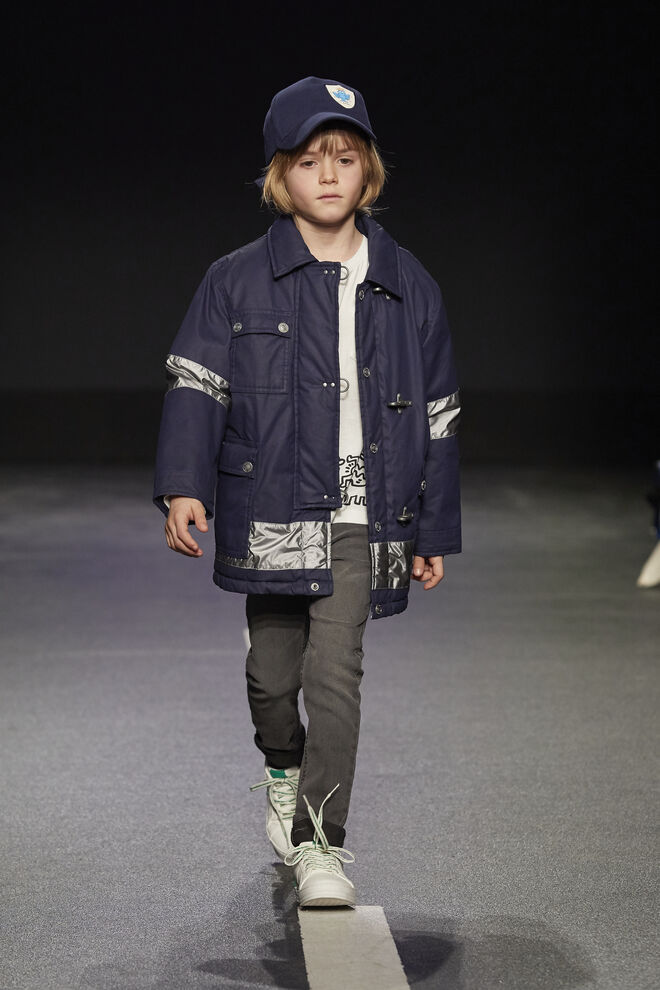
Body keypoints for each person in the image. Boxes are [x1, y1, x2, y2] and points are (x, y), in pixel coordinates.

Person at [153, 77, 461, 908]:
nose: (329, 175)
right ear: (278, 175)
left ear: (370, 174)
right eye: (309, 160)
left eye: (346, 158)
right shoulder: (235, 280)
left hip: (367, 510)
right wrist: (184, 485)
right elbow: (197, 386)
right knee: (272, 680)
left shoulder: (409, 284)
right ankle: (282, 769)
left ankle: (322, 843)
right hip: (272, 507)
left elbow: (438, 413)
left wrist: (433, 526)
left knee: (336, 677)